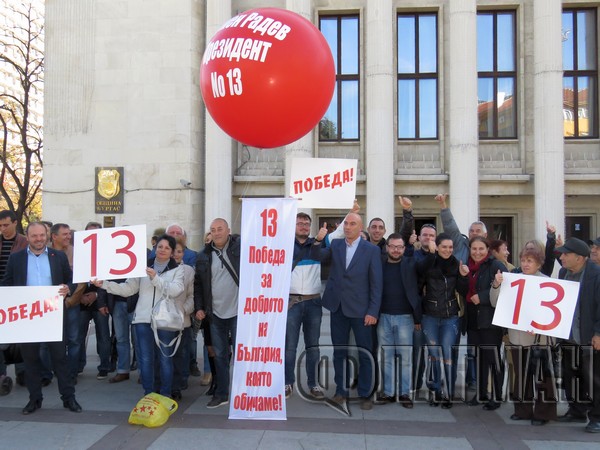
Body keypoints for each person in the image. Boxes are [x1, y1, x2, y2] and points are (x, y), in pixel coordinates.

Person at [0, 222, 82, 414]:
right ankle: (34, 400)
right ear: (27, 237)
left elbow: (71, 279)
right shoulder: (16, 258)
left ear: (47, 236)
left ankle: (69, 398)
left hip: (53, 315)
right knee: (30, 360)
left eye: (41, 235)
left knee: (60, 359)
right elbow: (7, 283)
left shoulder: (58, 256)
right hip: (28, 317)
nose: (38, 239)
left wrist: (68, 288)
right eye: (34, 236)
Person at [93, 234, 184, 397]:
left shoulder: (178, 269)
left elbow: (175, 290)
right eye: (160, 246)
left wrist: (155, 278)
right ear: (155, 248)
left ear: (172, 252)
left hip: (165, 321)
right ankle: (148, 394)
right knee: (146, 360)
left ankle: (165, 395)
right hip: (142, 319)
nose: (162, 250)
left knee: (165, 359)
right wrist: (104, 284)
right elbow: (128, 289)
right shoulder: (142, 267)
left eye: (167, 248)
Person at [320, 212, 383, 416]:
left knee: (365, 352)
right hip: (338, 308)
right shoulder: (336, 245)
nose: (348, 227)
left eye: (352, 224)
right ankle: (341, 391)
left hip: (362, 311)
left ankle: (366, 394)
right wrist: (319, 240)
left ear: (360, 227)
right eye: (346, 223)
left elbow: (376, 284)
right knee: (339, 352)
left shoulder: (371, 250)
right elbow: (318, 256)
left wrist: (373, 311)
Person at [490, 246, 557, 426]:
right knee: (521, 375)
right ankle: (522, 410)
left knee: (543, 377)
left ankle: (543, 413)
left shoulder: (547, 282)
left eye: (530, 261)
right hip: (518, 338)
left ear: (539, 264)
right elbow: (495, 302)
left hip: (540, 339)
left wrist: (540, 326)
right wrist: (496, 284)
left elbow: (552, 313)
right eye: (523, 260)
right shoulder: (512, 279)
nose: (526, 264)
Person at [417, 233, 469, 408]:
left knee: (447, 354)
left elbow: (463, 291)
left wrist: (463, 276)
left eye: (450, 247)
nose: (447, 250)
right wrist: (431, 255)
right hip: (430, 316)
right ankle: (436, 391)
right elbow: (419, 278)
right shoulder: (429, 262)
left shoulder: (457, 265)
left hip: (450, 317)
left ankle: (449, 394)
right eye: (444, 247)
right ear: (437, 247)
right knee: (434, 355)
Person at [554, 237, 600, 433]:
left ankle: (597, 417)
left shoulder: (596, 274)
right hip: (569, 335)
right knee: (571, 375)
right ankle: (577, 410)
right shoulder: (563, 273)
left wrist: (598, 333)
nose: (561, 257)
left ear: (580, 258)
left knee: (595, 379)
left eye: (566, 254)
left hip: (589, 336)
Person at [194, 218, 240, 408]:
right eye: (213, 230)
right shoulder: (203, 255)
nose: (216, 233)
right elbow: (198, 284)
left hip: (239, 312)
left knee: (242, 355)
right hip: (215, 314)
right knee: (220, 355)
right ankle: (222, 394)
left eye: (220, 229)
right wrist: (199, 307)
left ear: (228, 230)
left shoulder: (240, 248)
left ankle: (244, 393)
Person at [375, 233, 422, 409]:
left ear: (404, 248)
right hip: (383, 317)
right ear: (387, 247)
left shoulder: (411, 263)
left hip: (405, 318)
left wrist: (433, 252)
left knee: (405, 358)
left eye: (399, 247)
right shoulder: (379, 264)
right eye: (393, 246)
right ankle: (388, 392)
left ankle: (404, 393)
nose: (396, 250)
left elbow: (426, 266)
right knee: (386, 357)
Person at [284, 213, 327, 400]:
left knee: (313, 346)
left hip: (313, 302)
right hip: (291, 303)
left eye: (306, 224)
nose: (303, 226)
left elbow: (341, 233)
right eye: (299, 223)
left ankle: (313, 384)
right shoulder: (284, 245)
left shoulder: (318, 244)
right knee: (289, 346)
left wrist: (352, 210)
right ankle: (287, 382)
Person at [465, 236, 507, 410]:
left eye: (481, 248)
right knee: (480, 358)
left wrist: (482, 297)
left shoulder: (496, 265)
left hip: (490, 321)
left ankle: (497, 396)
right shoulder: (468, 266)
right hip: (473, 319)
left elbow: (505, 290)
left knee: (493, 358)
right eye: (474, 249)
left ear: (487, 249)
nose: (477, 252)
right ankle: (481, 394)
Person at [77, 221, 112, 380]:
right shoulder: (78, 253)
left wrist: (97, 295)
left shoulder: (108, 254)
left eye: (96, 233)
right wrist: (80, 295)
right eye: (90, 232)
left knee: (103, 335)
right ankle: (78, 366)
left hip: (100, 301)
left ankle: (104, 366)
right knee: (78, 336)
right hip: (81, 301)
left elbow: (110, 279)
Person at [0, 210, 28, 390]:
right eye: (0, 226)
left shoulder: (25, 242)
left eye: (6, 225)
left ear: (15, 223)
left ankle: (22, 372)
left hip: (18, 294)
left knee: (20, 335)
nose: (3, 229)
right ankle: (2, 376)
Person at [170, 237, 195, 400]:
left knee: (180, 354)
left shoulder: (189, 271)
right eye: (173, 251)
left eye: (179, 251)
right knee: (165, 356)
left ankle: (177, 386)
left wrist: (184, 310)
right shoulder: (160, 269)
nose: (176, 255)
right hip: (163, 320)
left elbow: (192, 295)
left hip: (182, 319)